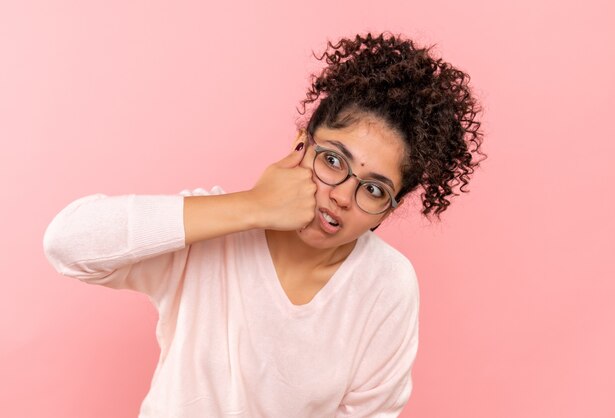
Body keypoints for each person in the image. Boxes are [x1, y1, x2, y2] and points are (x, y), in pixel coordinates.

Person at [43, 32, 485, 417]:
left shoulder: (387, 285)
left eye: (373, 190)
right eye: (332, 160)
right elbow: (67, 243)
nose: (341, 196)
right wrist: (252, 207)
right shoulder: (214, 227)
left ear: (388, 210)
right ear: (299, 147)